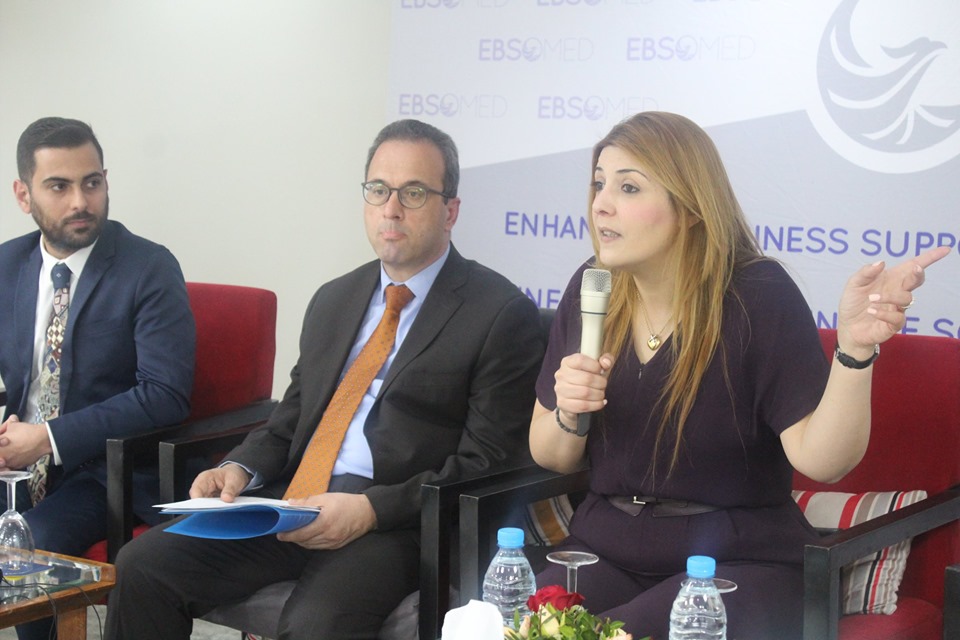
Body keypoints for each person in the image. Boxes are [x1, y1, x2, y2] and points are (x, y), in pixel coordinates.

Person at [105, 119, 544, 640]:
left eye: (413, 193)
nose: (391, 208)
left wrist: (369, 510)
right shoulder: (334, 298)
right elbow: (291, 417)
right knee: (142, 566)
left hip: (397, 521)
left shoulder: (498, 314)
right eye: (378, 190)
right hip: (292, 501)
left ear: (450, 211)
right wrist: (239, 468)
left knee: (316, 624)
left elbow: (485, 462)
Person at [528, 111, 950, 639]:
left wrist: (855, 350)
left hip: (739, 562)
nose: (601, 204)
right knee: (517, 628)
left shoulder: (757, 294)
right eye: (599, 184)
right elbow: (551, 454)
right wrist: (568, 410)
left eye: (628, 187)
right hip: (605, 549)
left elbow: (824, 461)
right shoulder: (592, 288)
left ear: (690, 207)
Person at [0, 117, 195, 640]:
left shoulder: (148, 267)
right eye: (58, 186)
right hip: (17, 462)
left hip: (106, 470)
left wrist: (46, 439)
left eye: (91, 183)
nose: (80, 202)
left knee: (32, 544)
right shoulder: (7, 264)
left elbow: (165, 395)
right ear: (23, 194)